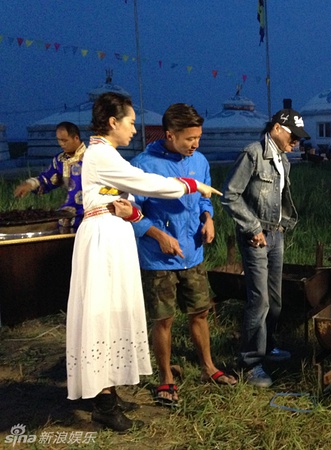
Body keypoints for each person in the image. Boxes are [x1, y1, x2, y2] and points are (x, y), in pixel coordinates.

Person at [65, 92, 221, 432]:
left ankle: (109, 393)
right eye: (131, 122)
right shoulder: (102, 155)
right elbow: (146, 184)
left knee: (115, 314)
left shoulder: (108, 155)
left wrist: (132, 211)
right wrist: (192, 185)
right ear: (113, 122)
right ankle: (104, 403)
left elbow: (124, 199)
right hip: (103, 242)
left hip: (113, 237)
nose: (135, 129)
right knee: (104, 316)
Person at [130, 104, 237, 408]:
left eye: (198, 137)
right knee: (163, 319)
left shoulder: (198, 161)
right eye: (189, 138)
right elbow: (131, 211)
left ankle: (208, 367)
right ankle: (165, 376)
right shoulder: (143, 165)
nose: (195, 144)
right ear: (170, 135)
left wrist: (208, 218)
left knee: (200, 312)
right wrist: (158, 236)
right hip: (159, 258)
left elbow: (204, 198)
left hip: (192, 252)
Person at [221, 108, 309, 388]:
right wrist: (252, 227)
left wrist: (281, 226)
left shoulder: (283, 159)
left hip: (276, 234)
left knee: (275, 299)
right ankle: (250, 363)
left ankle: (268, 346)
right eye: (293, 136)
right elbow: (230, 195)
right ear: (277, 128)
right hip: (255, 236)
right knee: (259, 300)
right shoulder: (252, 154)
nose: (296, 142)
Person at [14, 121, 86, 231]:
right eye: (59, 140)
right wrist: (30, 185)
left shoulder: (91, 157)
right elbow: (47, 179)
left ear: (76, 138)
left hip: (91, 213)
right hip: (68, 214)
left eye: (64, 140)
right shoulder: (60, 160)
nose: (61, 144)